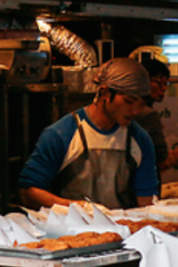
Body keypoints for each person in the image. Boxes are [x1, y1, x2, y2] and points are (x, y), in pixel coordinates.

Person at [18, 58, 159, 209]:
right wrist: (77, 207)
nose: (136, 111)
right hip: (71, 228)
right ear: (104, 93)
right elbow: (29, 192)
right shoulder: (61, 134)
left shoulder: (140, 139)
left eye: (141, 105)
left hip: (124, 227)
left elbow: (146, 202)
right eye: (129, 102)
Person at [132, 58, 178, 182]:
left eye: (166, 84)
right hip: (142, 186)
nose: (164, 88)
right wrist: (175, 158)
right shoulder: (148, 115)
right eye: (159, 82)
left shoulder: (126, 110)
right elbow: (161, 162)